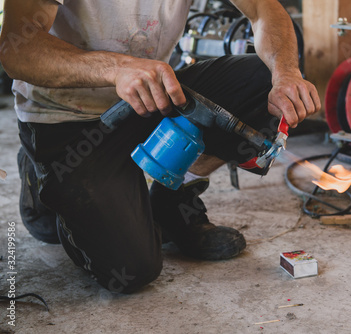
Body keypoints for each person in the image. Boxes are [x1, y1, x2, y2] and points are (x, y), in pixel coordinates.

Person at [0, 0, 320, 293]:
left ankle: (171, 201)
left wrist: (286, 74)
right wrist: (116, 68)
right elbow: (17, 48)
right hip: (67, 120)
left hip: (149, 100)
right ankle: (40, 175)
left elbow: (266, 10)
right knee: (131, 270)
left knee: (261, 80)